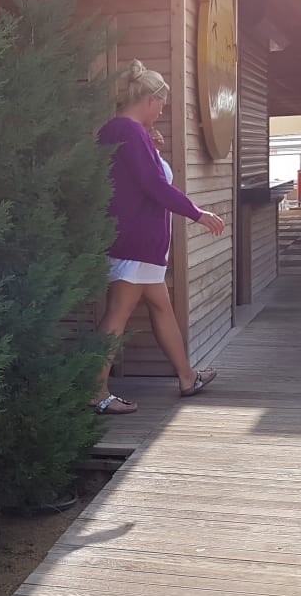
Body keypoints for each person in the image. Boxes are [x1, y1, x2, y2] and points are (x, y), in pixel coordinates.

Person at [91, 60, 225, 415]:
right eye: (162, 104)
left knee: (160, 307)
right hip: (136, 242)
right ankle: (96, 392)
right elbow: (154, 185)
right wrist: (197, 213)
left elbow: (133, 181)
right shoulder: (129, 131)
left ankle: (186, 377)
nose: (162, 112)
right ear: (150, 99)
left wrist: (153, 148)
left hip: (137, 242)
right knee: (118, 313)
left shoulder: (120, 131)